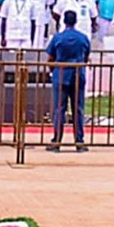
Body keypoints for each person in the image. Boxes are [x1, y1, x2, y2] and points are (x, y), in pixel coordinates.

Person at [45, 12, 93, 151]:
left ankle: (57, 141)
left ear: (63, 21)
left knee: (59, 109)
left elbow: (50, 57)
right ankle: (79, 141)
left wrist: (52, 70)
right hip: (78, 74)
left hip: (60, 74)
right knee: (78, 109)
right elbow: (86, 56)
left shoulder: (58, 38)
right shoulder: (83, 38)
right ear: (76, 21)